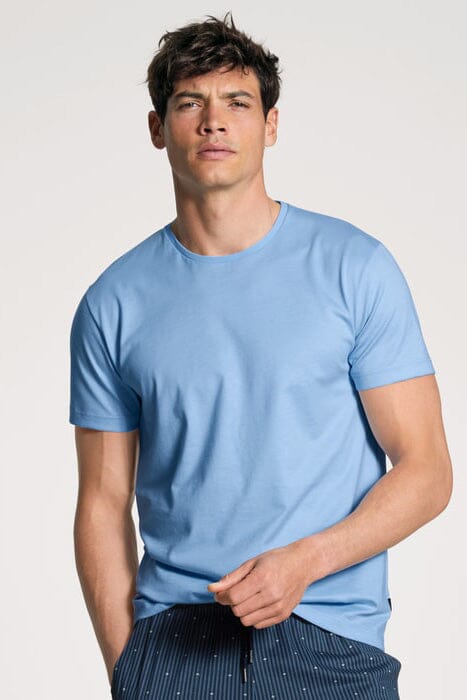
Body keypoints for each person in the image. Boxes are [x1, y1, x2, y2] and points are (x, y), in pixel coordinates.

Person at [69, 11, 453, 699]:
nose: (214, 122)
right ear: (158, 128)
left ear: (271, 125)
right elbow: (102, 499)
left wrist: (306, 561)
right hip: (173, 647)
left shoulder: (353, 268)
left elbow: (427, 471)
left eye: (238, 103)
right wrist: (128, 669)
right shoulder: (113, 302)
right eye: (190, 103)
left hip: (331, 642)